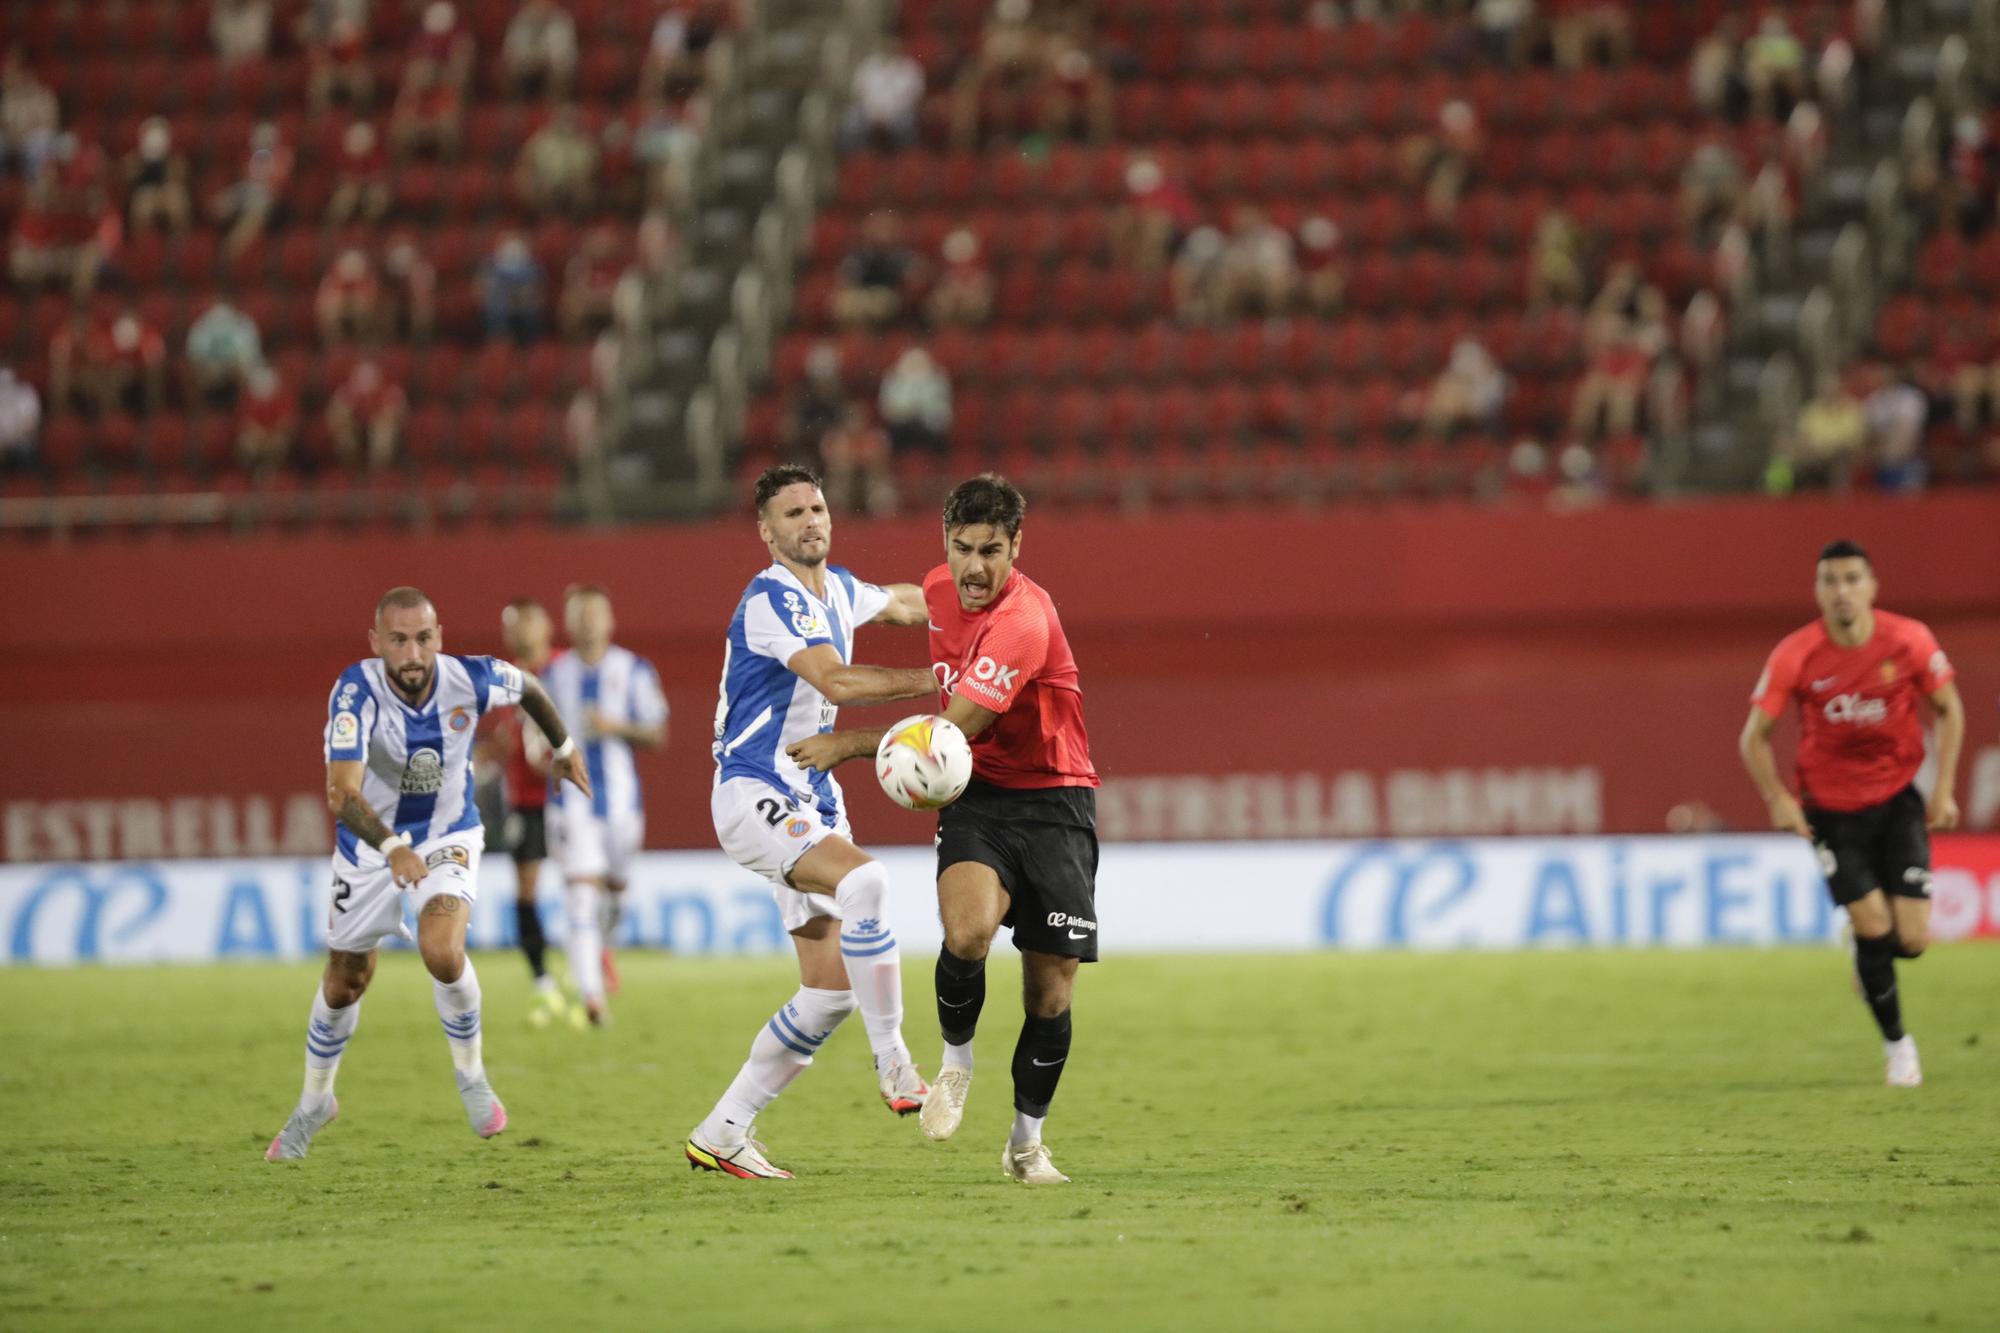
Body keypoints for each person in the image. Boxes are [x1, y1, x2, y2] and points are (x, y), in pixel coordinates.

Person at [794, 474, 1100, 1185]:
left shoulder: (1025, 619)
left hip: (1056, 799)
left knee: (1049, 995)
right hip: (978, 796)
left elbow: (951, 731)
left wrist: (848, 744)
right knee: (966, 934)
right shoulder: (940, 586)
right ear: (946, 542)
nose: (974, 567)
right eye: (962, 548)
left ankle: (1026, 1143)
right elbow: (904, 600)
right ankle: (956, 1063)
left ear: (1016, 547)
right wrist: (826, 599)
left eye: (992, 550)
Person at [265, 586, 592, 1160]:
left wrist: (563, 746)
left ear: (438, 638)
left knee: (441, 950)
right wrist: (391, 846)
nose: (412, 653)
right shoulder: (354, 693)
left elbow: (531, 687)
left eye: (423, 639)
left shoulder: (471, 677)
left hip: (448, 835)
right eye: (398, 640)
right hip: (369, 847)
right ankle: (316, 1100)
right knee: (345, 980)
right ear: (376, 643)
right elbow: (341, 794)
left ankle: (471, 1076)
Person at [685, 464, 937, 1179]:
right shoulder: (772, 597)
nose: (810, 520)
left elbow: (902, 602)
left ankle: (723, 1129)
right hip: (754, 787)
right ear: (767, 532)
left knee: (828, 991)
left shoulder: (839, 590)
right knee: (869, 883)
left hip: (811, 794)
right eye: (792, 512)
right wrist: (947, 678)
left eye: (817, 507)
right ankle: (894, 1061)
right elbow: (839, 681)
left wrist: (974, 608)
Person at [1738, 540, 1964, 1089]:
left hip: (1897, 801)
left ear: (1872, 586)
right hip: (1831, 811)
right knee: (1874, 926)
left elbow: (1950, 708)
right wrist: (1778, 798)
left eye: (1852, 579)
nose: (1841, 591)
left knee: (1908, 940)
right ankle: (1899, 1049)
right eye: (1830, 581)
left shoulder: (1908, 640)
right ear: (1818, 591)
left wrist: (1945, 791)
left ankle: (1865, 952)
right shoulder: (1796, 653)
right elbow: (1753, 738)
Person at [540, 584, 667, 1025]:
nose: (589, 622)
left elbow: (658, 734)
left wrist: (615, 726)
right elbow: (536, 739)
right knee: (579, 897)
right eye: (580, 614)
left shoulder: (632, 670)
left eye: (596, 613)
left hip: (621, 805)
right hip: (570, 803)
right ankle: (592, 997)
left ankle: (600, 949)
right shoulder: (553, 676)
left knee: (614, 893)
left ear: (610, 620)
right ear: (569, 623)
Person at [483, 597, 569, 1027]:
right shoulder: (507, 679)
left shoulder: (564, 669)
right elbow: (509, 735)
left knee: (589, 883)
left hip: (568, 796)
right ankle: (542, 980)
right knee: (526, 890)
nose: (519, 633)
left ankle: (592, 961)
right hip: (525, 802)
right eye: (511, 626)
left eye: (526, 623)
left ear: (546, 626)